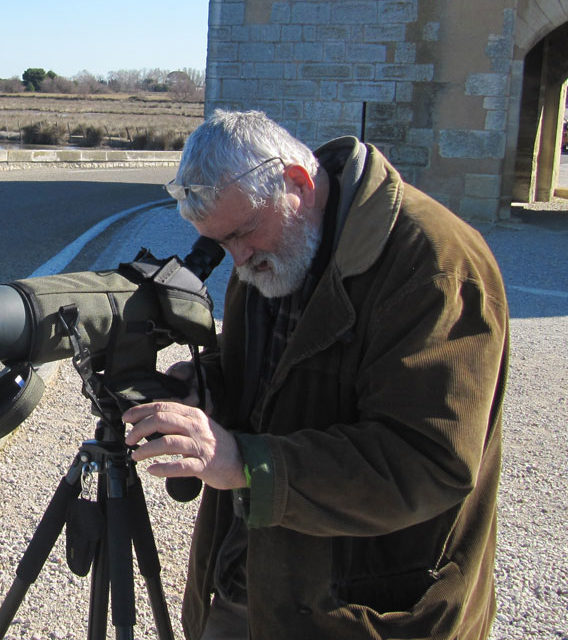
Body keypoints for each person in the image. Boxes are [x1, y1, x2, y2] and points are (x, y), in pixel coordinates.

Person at [123, 110, 509, 640]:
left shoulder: (434, 266)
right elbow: (269, 379)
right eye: (221, 243)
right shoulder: (269, 247)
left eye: (243, 233)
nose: (238, 259)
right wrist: (209, 388)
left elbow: (429, 460)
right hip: (249, 585)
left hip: (361, 612)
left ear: (298, 184)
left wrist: (250, 465)